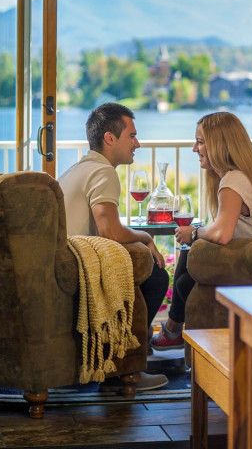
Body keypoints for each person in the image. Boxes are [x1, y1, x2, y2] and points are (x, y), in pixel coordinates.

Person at [151, 111, 252, 350]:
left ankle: (172, 331)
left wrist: (194, 233)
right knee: (187, 266)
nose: (195, 149)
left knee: (186, 278)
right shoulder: (247, 176)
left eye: (200, 142)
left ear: (219, 145)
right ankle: (172, 331)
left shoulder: (233, 180)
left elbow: (223, 234)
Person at [58, 102, 169, 391]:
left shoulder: (76, 169)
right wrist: (145, 237)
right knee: (156, 272)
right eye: (131, 136)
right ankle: (125, 371)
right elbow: (111, 232)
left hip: (61, 265)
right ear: (110, 138)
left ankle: (122, 359)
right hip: (73, 271)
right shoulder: (104, 172)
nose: (138, 143)